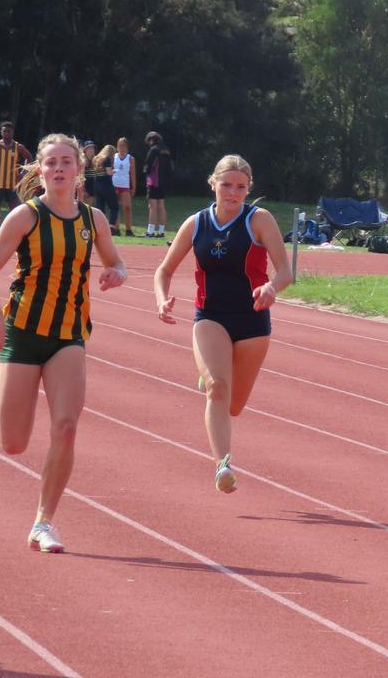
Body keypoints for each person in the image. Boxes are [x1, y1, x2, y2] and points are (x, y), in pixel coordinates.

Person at [0, 133, 126, 552]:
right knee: (13, 442)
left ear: (79, 169)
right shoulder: (26, 216)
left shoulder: (92, 220)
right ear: (40, 171)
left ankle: (44, 521)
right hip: (22, 332)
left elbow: (115, 259)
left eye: (66, 162)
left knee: (66, 426)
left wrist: (119, 273)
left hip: (69, 336)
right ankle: (10, 397)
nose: (59, 168)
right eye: (51, 162)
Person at [154, 155, 292, 493]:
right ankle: (222, 464)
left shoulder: (259, 220)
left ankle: (212, 379)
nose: (232, 193)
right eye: (226, 185)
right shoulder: (196, 223)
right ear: (213, 184)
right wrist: (161, 299)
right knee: (218, 387)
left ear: (248, 189)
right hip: (210, 317)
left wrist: (272, 287)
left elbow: (286, 271)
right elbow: (164, 270)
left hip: (252, 321)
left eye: (240, 187)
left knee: (234, 405)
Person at [0, 121, 32, 245]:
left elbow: (29, 157)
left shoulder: (18, 146)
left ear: (12, 133)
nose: (6, 133)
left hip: (12, 185)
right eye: (4, 131)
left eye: (9, 131)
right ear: (1, 132)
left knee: (14, 212)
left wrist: (23, 173)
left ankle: (15, 238)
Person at [143, 131, 172, 238]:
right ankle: (161, 232)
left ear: (151, 139)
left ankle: (150, 232)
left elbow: (148, 165)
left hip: (154, 181)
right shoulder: (166, 150)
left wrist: (145, 173)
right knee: (161, 205)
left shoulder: (154, 149)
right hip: (164, 182)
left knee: (152, 206)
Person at [90, 144, 119, 235]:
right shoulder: (107, 159)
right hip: (106, 185)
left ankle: (99, 226)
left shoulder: (96, 159)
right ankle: (111, 226)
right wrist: (115, 171)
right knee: (114, 207)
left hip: (97, 185)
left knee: (100, 207)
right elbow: (109, 172)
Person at [113, 137, 136, 236]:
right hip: (114, 184)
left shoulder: (130, 158)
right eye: (119, 145)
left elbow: (133, 174)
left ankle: (128, 229)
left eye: (123, 146)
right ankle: (116, 229)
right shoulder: (113, 157)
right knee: (115, 207)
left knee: (127, 207)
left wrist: (133, 187)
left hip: (125, 185)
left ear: (127, 147)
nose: (121, 148)